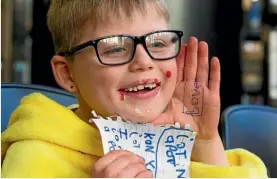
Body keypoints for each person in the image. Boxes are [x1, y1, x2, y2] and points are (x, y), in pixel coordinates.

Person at [1, 0, 267, 178]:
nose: (144, 61)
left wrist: (206, 143)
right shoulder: (33, 157)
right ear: (67, 73)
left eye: (159, 44)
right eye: (115, 48)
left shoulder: (182, 138)